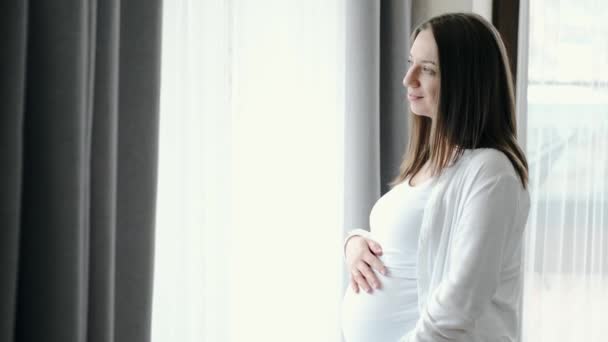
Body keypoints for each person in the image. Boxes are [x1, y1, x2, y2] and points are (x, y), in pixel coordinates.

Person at [340, 13, 531, 342]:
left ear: (466, 82)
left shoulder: (490, 172)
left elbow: (460, 300)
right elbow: (406, 240)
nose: (407, 78)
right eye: (411, 62)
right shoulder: (431, 162)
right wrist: (355, 244)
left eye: (427, 69)